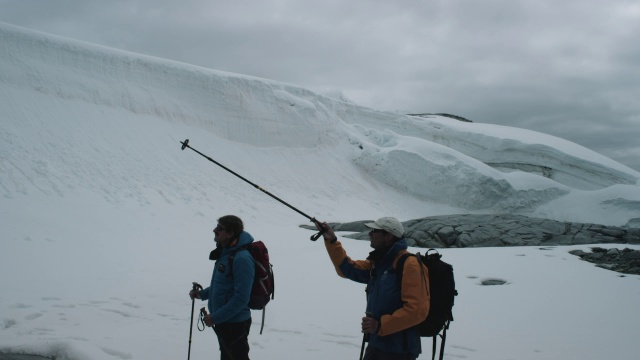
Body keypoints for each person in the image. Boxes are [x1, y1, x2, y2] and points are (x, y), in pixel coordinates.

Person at [315, 217, 430, 360]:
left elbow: (417, 310)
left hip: (400, 350)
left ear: (388, 236)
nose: (370, 234)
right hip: (378, 343)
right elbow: (347, 269)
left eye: (375, 231)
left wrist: (381, 325)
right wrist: (332, 241)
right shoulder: (379, 263)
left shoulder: (409, 264)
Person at [190, 215, 255, 360]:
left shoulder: (241, 258)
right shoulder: (227, 253)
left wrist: (215, 317)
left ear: (231, 233)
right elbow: (223, 285)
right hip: (225, 320)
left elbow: (241, 298)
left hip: (235, 322)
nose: (215, 230)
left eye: (220, 228)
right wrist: (202, 294)